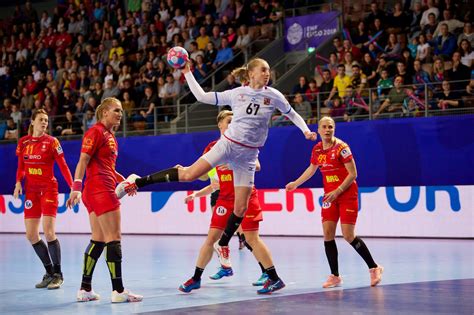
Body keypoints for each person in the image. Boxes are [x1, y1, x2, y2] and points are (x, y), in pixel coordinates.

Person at [118, 58, 316, 294]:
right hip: (228, 146)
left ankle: (242, 256)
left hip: (249, 156)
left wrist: (305, 130)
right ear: (251, 73)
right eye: (262, 70)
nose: (267, 73)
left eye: (268, 70)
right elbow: (201, 96)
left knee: (240, 208)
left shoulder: (274, 95)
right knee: (190, 173)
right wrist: (187, 72)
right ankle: (137, 181)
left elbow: (292, 114)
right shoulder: (237, 94)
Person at [178, 110, 281, 294]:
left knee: (251, 239)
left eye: (235, 122)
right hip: (224, 199)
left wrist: (234, 164)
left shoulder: (244, 144)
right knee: (211, 239)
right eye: (229, 121)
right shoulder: (212, 147)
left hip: (245, 196)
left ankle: (274, 278)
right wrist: (186, 170)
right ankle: (196, 278)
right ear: (220, 124)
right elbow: (201, 174)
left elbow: (257, 166)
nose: (232, 125)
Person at [286, 117, 383, 288]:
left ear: (334, 129)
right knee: (328, 234)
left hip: (346, 195)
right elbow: (311, 169)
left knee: (348, 235)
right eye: (324, 127)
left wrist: (338, 190)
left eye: (330, 127)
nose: (327, 130)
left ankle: (374, 268)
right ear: (319, 129)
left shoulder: (342, 148)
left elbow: (353, 174)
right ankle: (335, 276)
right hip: (329, 197)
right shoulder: (317, 150)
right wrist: (295, 183)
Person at [66, 97, 143, 303]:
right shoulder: (96, 132)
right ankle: (118, 291)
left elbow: (107, 167)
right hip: (101, 190)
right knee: (114, 237)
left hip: (98, 189)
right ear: (104, 113)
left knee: (98, 239)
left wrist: (124, 181)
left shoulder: (110, 136)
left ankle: (85, 289)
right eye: (116, 110)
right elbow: (83, 159)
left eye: (121, 111)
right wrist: (76, 187)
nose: (120, 114)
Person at [14, 109, 73, 289]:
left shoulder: (52, 142)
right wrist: (18, 182)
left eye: (46, 120)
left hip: (49, 189)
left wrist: (73, 187)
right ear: (32, 122)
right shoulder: (23, 142)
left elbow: (63, 166)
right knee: (31, 235)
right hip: (31, 191)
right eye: (41, 119)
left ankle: (58, 274)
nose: (44, 122)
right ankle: (49, 272)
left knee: (48, 232)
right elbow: (21, 166)